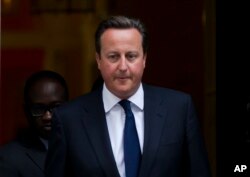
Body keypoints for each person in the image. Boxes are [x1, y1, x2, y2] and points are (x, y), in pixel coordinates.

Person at [45, 16, 211, 177]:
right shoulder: (68, 119)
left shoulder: (179, 109)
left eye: (131, 56)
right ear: (98, 60)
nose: (123, 66)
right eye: (113, 56)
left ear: (144, 58)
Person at [0, 70, 69, 177]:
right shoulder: (9, 158)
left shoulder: (85, 146)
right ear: (26, 111)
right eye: (38, 109)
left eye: (55, 107)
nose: (48, 116)